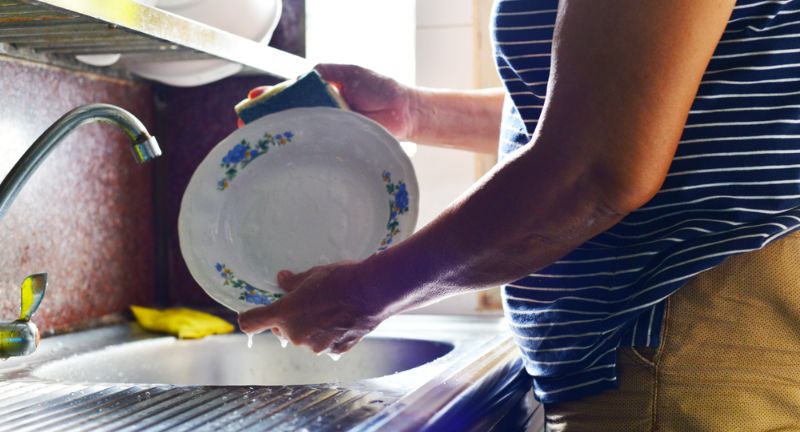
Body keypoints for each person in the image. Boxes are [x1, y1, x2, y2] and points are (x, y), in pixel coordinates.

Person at [240, 0, 800, 429]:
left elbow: (594, 171)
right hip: (681, 339)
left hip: (685, 340)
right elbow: (610, 104)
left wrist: (365, 295)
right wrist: (415, 111)